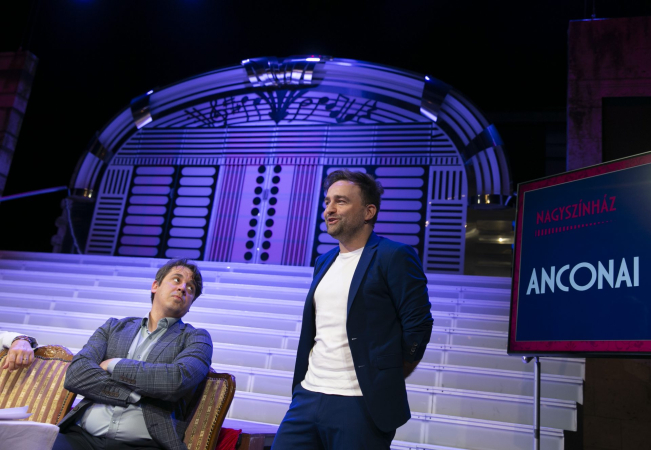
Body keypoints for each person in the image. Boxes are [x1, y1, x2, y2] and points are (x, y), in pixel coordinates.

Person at [272, 170, 434, 450]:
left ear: (369, 211)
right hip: (308, 395)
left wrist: (390, 372)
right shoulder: (324, 261)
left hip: (360, 403)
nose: (329, 209)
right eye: (327, 202)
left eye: (341, 201)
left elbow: (418, 323)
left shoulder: (393, 255)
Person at [53, 258, 213, 450]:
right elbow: (76, 375)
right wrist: (133, 395)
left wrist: (114, 365)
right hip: (80, 437)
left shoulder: (197, 339)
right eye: (177, 280)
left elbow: (176, 381)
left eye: (191, 288)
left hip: (145, 445)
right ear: (155, 286)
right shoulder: (113, 328)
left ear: (191, 303)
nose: (183, 288)